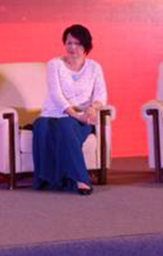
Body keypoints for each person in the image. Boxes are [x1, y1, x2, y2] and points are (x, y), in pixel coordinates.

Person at [32, 24, 107, 195]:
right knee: (41, 126)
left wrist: (92, 109)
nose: (72, 47)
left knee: (65, 125)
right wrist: (75, 115)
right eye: (69, 43)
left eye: (77, 43)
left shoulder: (94, 67)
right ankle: (49, 179)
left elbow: (101, 95)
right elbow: (56, 95)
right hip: (53, 113)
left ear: (86, 45)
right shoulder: (54, 64)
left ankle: (79, 179)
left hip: (82, 116)